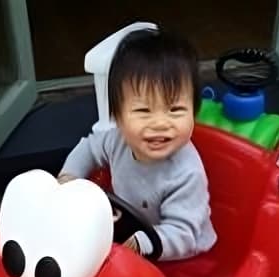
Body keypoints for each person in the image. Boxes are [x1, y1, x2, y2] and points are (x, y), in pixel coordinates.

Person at [58, 27, 217, 261]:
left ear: (194, 112)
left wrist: (142, 242)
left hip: (181, 254)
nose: (160, 123)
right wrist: (69, 175)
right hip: (128, 234)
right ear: (119, 118)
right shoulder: (116, 140)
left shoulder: (186, 174)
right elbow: (90, 148)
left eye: (175, 110)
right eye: (143, 110)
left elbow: (184, 234)